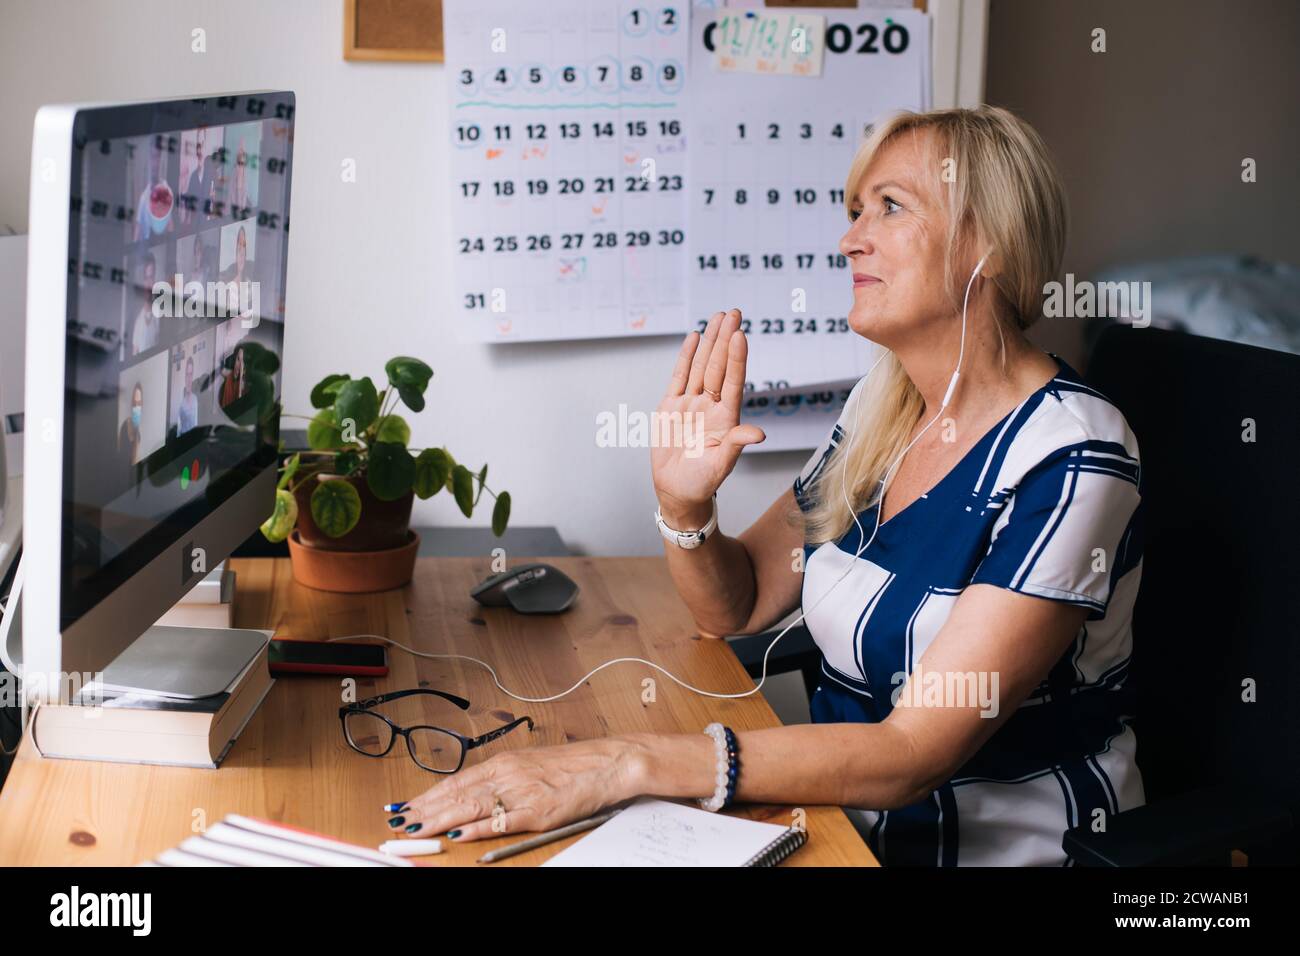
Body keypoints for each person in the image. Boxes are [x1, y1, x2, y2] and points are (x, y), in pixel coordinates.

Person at [390, 107, 1145, 866]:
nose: (850, 239)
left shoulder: (1074, 454)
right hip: (837, 829)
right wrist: (685, 505)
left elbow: (916, 751)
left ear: (990, 242)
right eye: (855, 211)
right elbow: (741, 602)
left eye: (890, 206)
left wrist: (634, 764)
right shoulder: (884, 408)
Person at [130, 256, 160, 355]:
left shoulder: (160, 315)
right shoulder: (137, 321)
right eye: (146, 278)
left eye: (151, 278)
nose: (149, 284)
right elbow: (134, 354)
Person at [118, 382, 144, 471]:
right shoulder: (125, 425)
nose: (137, 407)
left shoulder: (140, 431)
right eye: (135, 403)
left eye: (139, 403)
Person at [177, 356, 199, 433]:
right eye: (187, 374)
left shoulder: (195, 399)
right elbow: (178, 431)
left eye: (191, 374)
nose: (189, 379)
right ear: (184, 376)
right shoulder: (180, 403)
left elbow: (196, 424)